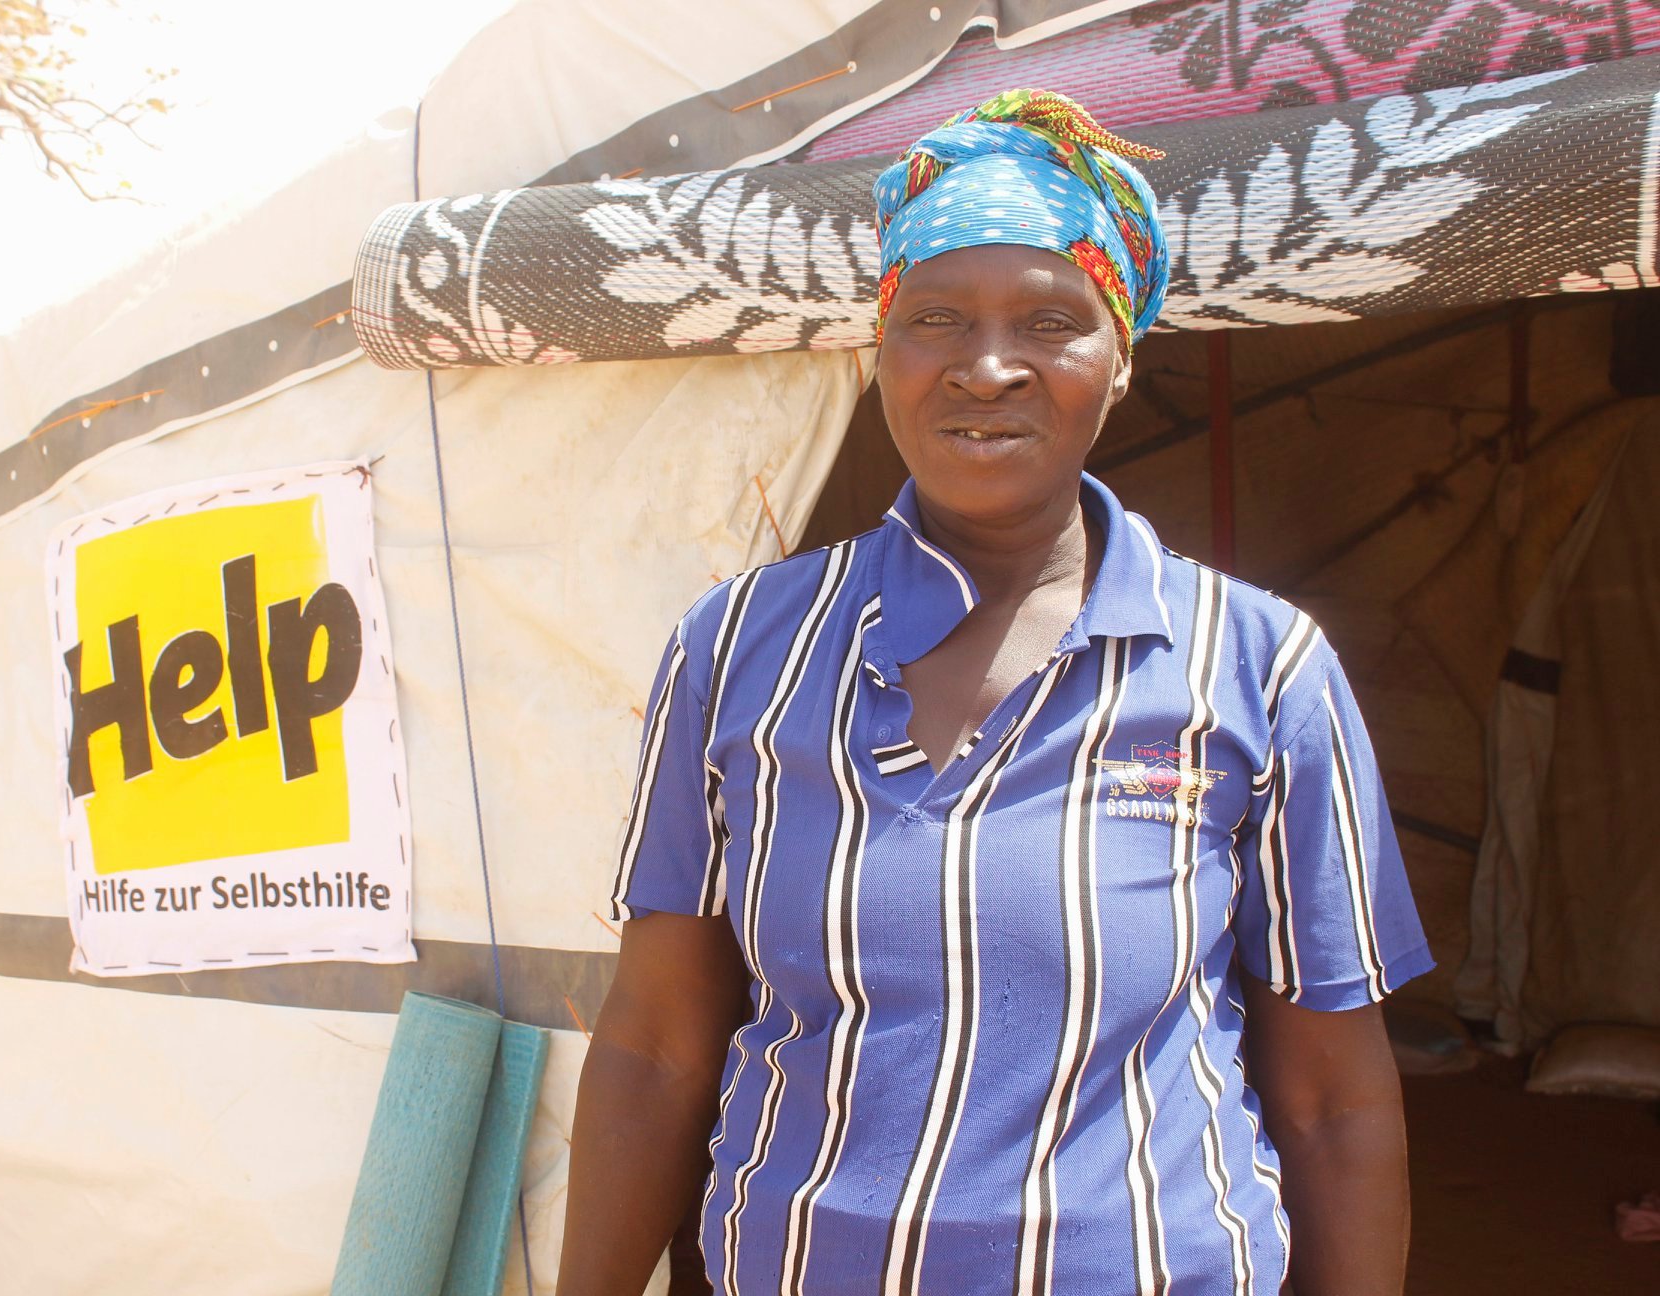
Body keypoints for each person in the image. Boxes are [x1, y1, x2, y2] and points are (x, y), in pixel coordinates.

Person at [561, 89, 1432, 1296]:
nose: (988, 368)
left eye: (1051, 320)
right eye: (935, 319)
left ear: (1119, 357)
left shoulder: (1259, 663)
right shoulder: (738, 649)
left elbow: (1336, 1100)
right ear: (882, 354)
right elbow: (656, 1049)